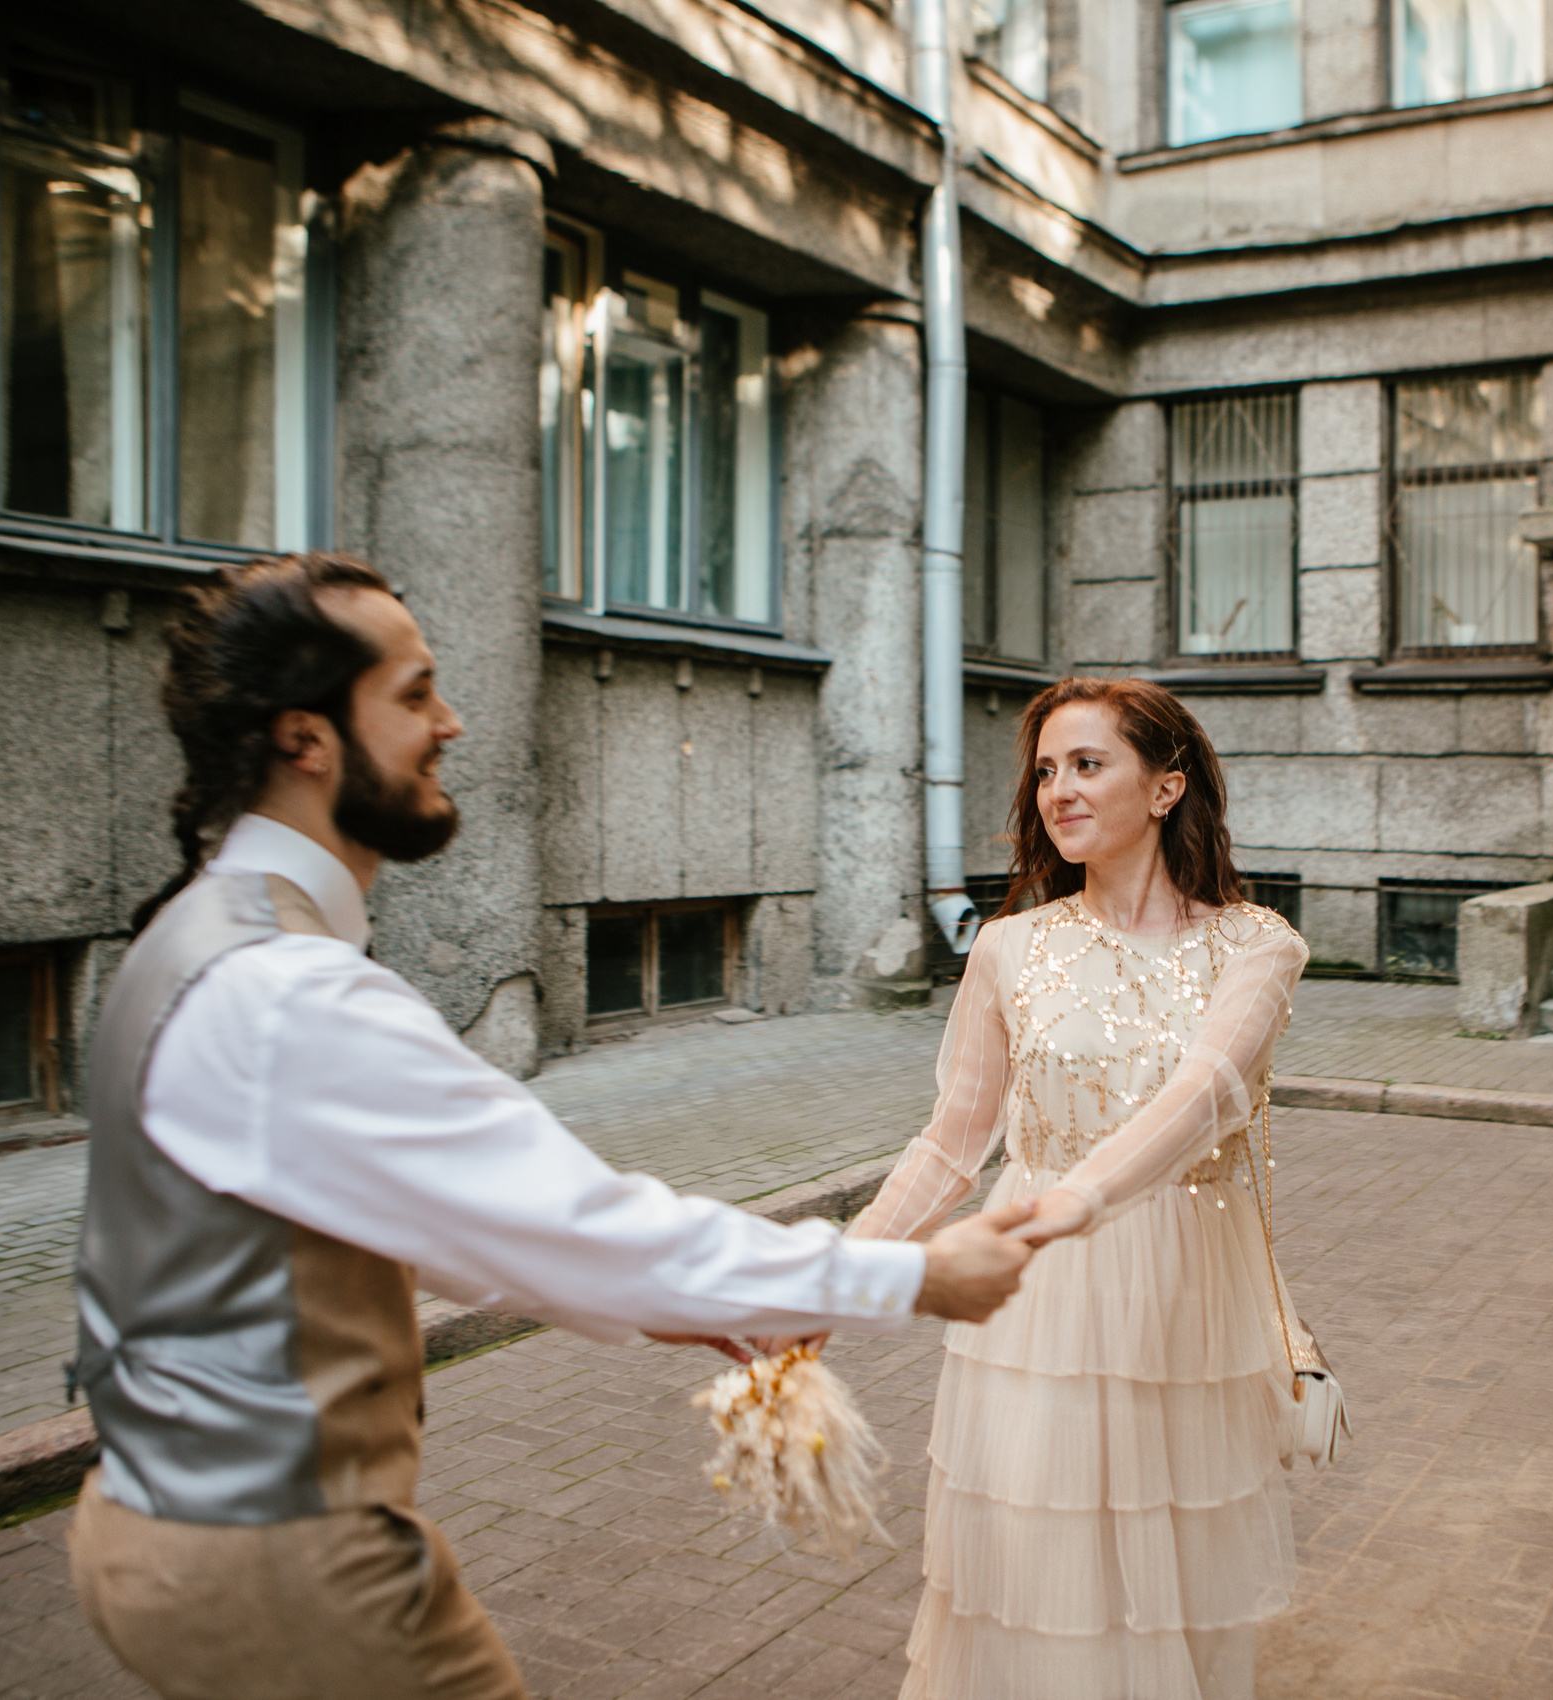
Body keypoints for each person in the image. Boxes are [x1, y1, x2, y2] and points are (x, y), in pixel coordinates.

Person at [65, 551, 1036, 1700]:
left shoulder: (198, 933)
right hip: (283, 1563)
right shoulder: (285, 989)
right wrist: (911, 1273)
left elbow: (459, 1227)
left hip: (158, 1523)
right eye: (415, 692)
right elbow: (583, 1226)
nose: (451, 721)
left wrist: (689, 1309)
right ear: (305, 739)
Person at [842, 677, 1310, 1700]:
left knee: (1171, 1567)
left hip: (1183, 1296)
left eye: (1087, 764)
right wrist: (837, 1271)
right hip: (1036, 1299)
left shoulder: (1257, 945)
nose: (1057, 789)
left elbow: (1206, 1092)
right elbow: (950, 1144)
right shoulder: (1010, 946)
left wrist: (1067, 1205)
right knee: (1033, 1565)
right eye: (1046, 769)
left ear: (1165, 786)